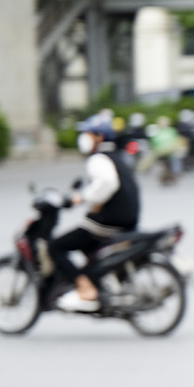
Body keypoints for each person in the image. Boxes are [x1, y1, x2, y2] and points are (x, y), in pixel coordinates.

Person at [51, 130, 141, 312]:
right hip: (127, 219)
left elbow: (108, 183)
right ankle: (100, 281)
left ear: (99, 137)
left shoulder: (98, 158)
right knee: (90, 250)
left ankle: (85, 289)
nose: (84, 137)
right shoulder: (116, 156)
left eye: (89, 133)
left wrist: (81, 197)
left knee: (56, 246)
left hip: (108, 222)